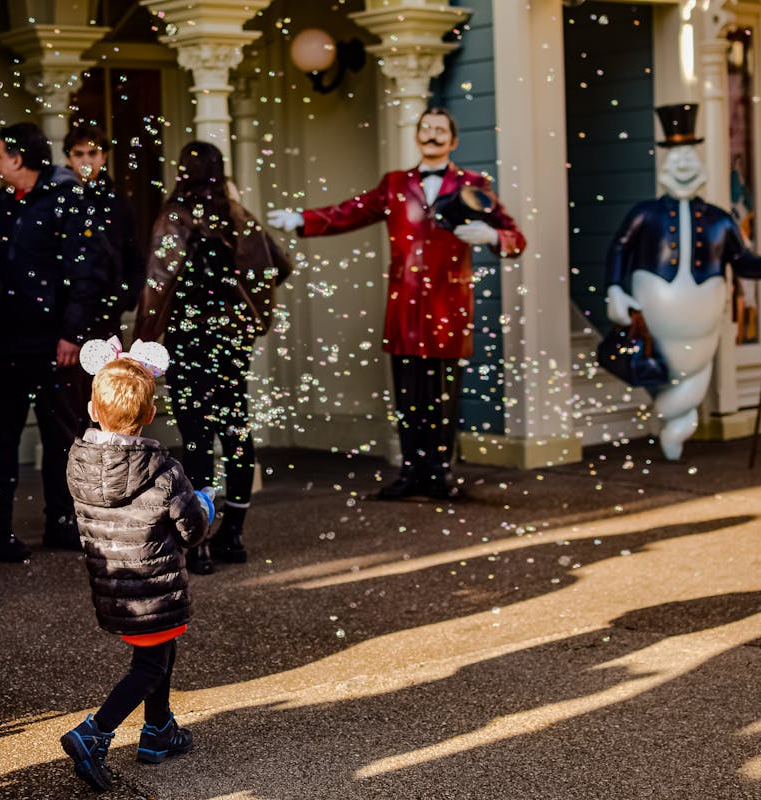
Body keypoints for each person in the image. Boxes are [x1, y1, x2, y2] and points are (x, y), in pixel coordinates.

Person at [267, 107, 527, 501]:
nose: (433, 136)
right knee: (408, 395)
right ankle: (410, 473)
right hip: (404, 306)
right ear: (418, 137)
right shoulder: (394, 183)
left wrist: (492, 235)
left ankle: (439, 474)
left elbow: (515, 236)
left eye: (441, 130)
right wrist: (302, 219)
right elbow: (350, 212)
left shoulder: (474, 183)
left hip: (449, 306)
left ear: (453, 140)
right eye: (426, 129)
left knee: (443, 394)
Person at [134, 141, 291, 575]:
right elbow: (281, 264)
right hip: (232, 336)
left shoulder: (177, 216)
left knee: (197, 433)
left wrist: (141, 341)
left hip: (191, 335)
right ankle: (234, 534)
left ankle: (198, 541)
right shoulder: (238, 216)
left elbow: (157, 283)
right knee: (235, 427)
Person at [60, 343, 211, 792]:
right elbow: (192, 531)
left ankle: (158, 731)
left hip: (114, 586)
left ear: (91, 408)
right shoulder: (164, 470)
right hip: (155, 586)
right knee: (148, 667)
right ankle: (94, 732)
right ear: (150, 415)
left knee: (158, 653)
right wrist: (203, 504)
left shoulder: (78, 464)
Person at [605, 103, 761, 460]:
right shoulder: (645, 214)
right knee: (668, 379)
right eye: (676, 156)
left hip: (703, 335)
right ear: (664, 163)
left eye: (690, 154)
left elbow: (741, 260)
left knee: (692, 380)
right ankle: (672, 423)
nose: (684, 164)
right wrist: (614, 289)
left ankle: (676, 427)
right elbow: (620, 249)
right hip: (656, 330)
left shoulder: (720, 220)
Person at [0, 122, 108, 561]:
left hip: (52, 345)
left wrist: (72, 332)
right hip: (2, 344)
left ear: (17, 159)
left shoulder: (66, 201)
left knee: (60, 438)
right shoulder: (1, 204)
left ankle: (62, 523)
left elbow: (85, 270)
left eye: (0, 155)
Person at [63, 124, 146, 338]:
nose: (86, 160)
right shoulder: (60, 201)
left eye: (92, 153)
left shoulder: (118, 203)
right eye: (78, 154)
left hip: (107, 313)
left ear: (103, 157)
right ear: (68, 158)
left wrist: (124, 297)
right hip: (64, 313)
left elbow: (133, 255)